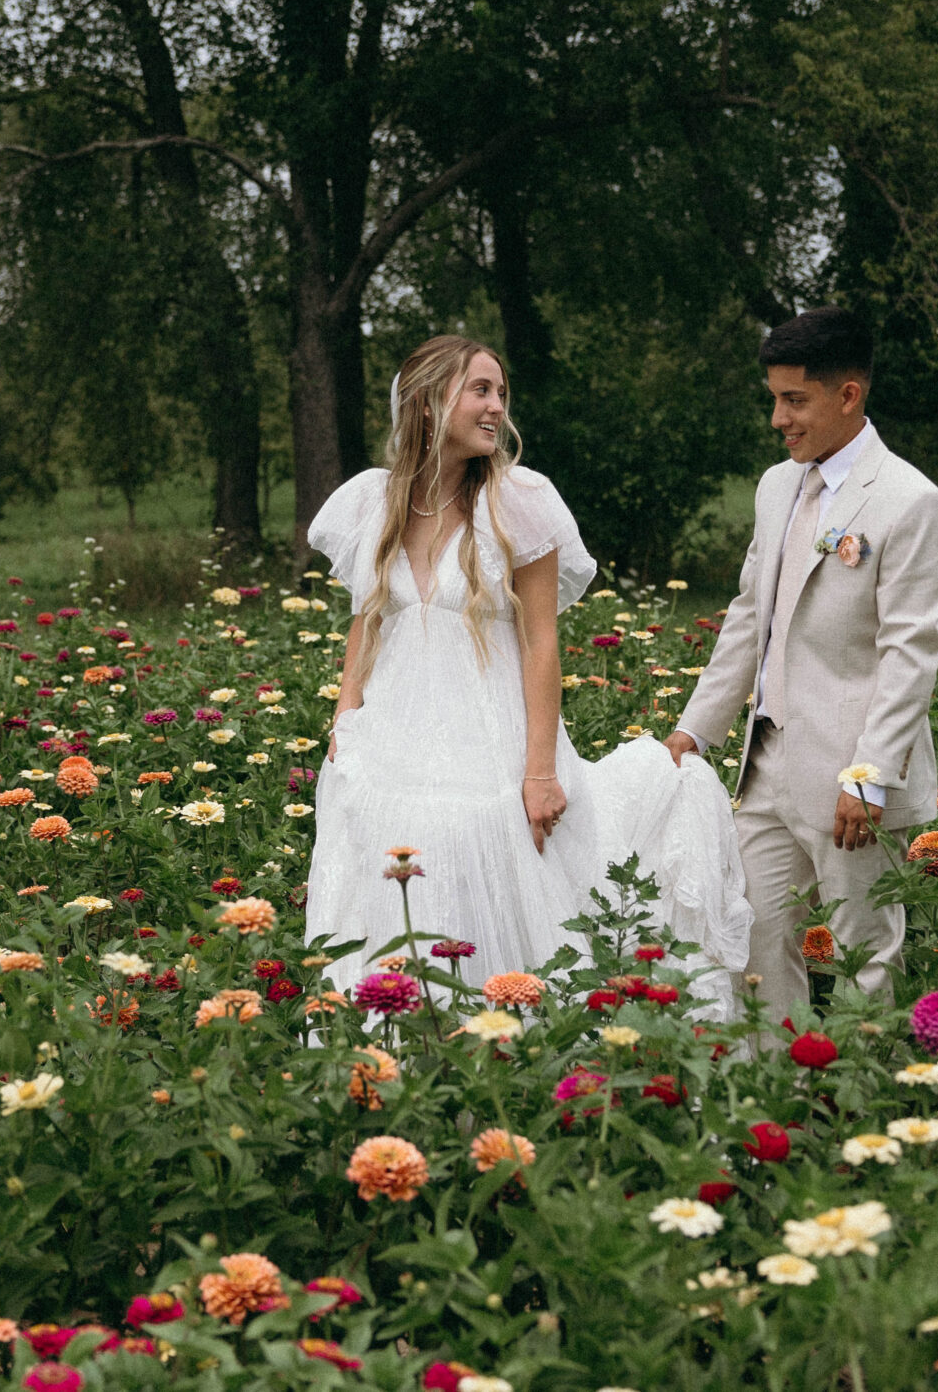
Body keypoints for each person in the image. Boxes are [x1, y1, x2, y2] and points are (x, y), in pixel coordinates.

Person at [304, 334, 753, 1008]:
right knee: (393, 887)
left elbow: (542, 642)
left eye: (500, 393)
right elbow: (367, 621)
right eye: (480, 391)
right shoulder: (375, 502)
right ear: (428, 403)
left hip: (491, 740)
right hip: (394, 737)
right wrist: (346, 716)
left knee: (496, 876)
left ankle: (510, 1047)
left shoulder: (517, 503)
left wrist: (539, 770)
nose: (496, 408)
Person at [665, 307, 938, 1013]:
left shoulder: (912, 503)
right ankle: (779, 1100)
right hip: (765, 767)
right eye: (774, 399)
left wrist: (870, 776)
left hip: (851, 779)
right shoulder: (776, 487)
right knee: (752, 940)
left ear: (848, 395)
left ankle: (861, 1108)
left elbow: (909, 653)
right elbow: (748, 620)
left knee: (864, 955)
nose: (778, 419)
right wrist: (693, 730)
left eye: (795, 400)